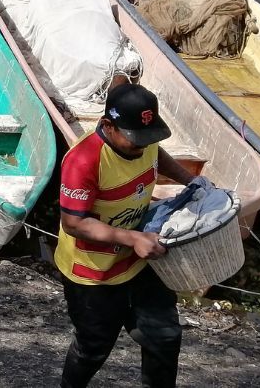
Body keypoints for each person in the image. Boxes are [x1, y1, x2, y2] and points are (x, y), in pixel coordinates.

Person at [55, 82, 194, 388]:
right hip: (93, 274)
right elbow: (74, 223)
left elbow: (156, 153)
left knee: (164, 337)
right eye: (135, 141)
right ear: (108, 125)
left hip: (139, 262)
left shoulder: (143, 140)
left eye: (148, 138)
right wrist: (132, 239)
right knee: (93, 348)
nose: (142, 147)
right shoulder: (84, 161)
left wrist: (189, 180)